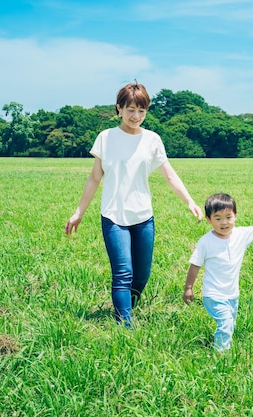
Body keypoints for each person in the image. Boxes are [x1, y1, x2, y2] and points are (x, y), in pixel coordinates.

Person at [65, 82, 203, 329]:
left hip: (143, 216)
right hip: (113, 216)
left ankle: (126, 307)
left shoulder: (152, 140)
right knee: (123, 273)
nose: (136, 116)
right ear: (119, 109)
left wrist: (190, 201)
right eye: (130, 109)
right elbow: (95, 177)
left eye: (141, 111)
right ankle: (125, 326)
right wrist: (78, 212)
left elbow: (170, 175)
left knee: (141, 275)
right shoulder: (106, 138)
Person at [183, 193, 253, 351]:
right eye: (218, 218)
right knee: (226, 322)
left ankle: (224, 344)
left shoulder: (241, 235)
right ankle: (220, 357)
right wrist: (188, 288)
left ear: (235, 216)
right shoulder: (206, 242)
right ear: (208, 219)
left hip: (233, 295)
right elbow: (195, 265)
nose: (224, 222)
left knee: (230, 324)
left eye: (228, 217)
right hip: (213, 295)